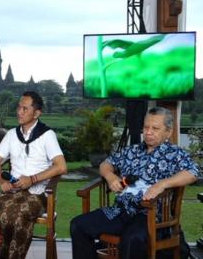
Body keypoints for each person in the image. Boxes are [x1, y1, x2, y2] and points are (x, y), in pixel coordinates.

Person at [70, 106, 200, 259]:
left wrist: (161, 184)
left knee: (132, 239)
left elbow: (193, 173)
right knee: (78, 225)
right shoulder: (131, 151)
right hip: (120, 211)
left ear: (168, 132)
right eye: (146, 127)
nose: (148, 132)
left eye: (155, 128)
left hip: (151, 215)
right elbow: (106, 163)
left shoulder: (175, 154)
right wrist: (110, 176)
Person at [0, 91, 68, 259]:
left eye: (25, 108)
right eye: (19, 107)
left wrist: (31, 179)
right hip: (12, 191)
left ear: (37, 113)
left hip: (38, 195)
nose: (19, 112)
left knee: (18, 215)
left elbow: (61, 167)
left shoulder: (47, 135)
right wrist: (0, 179)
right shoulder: (11, 135)